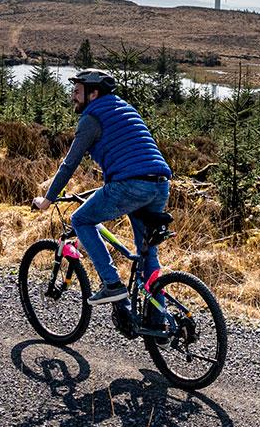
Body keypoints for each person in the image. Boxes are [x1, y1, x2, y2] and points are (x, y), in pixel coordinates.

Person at [31, 70, 172, 315]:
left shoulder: (92, 119)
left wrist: (48, 199)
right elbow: (134, 156)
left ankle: (112, 284)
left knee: (81, 219)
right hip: (159, 185)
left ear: (94, 94)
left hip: (130, 186)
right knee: (146, 251)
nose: (73, 95)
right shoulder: (124, 109)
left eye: (78, 91)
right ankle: (159, 320)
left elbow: (69, 163)